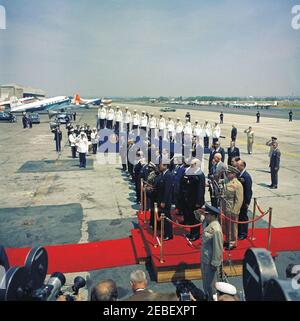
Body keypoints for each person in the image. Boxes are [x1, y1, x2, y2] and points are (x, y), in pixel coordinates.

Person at [199, 204, 223, 301]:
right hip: (205, 258)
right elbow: (200, 218)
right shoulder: (208, 223)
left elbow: (218, 248)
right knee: (205, 281)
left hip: (210, 262)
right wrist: (198, 212)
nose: (206, 216)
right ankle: (207, 296)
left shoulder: (216, 229)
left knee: (211, 285)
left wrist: (215, 263)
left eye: (208, 214)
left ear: (213, 216)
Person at [181, 159, 205, 241]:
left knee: (196, 219)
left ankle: (196, 234)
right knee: (191, 217)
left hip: (196, 201)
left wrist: (199, 202)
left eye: (192, 165)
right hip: (190, 199)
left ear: (196, 164)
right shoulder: (192, 173)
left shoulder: (200, 175)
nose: (190, 166)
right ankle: (192, 233)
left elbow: (201, 190)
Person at [222, 165, 244, 250]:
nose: (227, 174)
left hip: (232, 209)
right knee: (226, 226)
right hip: (226, 208)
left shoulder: (237, 185)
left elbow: (239, 200)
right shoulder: (227, 181)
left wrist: (235, 211)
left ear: (234, 174)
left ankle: (233, 242)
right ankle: (227, 240)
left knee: (233, 227)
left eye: (229, 173)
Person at [156, 160, 174, 240]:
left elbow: (167, 190)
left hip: (165, 201)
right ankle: (165, 232)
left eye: (161, 165)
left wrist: (163, 201)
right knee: (163, 217)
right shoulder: (163, 174)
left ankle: (169, 234)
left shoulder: (168, 175)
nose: (159, 166)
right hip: (161, 199)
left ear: (165, 166)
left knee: (167, 217)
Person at [236, 160, 252, 240]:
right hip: (239, 200)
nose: (236, 167)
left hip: (244, 201)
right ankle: (239, 231)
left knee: (243, 217)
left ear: (242, 166)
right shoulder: (239, 174)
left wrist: (247, 202)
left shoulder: (246, 176)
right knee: (239, 216)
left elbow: (248, 191)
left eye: (238, 165)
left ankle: (243, 233)